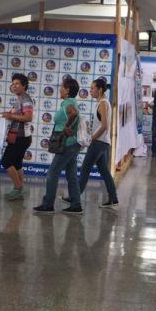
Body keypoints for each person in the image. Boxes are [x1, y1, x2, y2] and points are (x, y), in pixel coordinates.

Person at [33, 77, 83, 215]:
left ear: (67, 90)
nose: (59, 89)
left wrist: (66, 126)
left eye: (62, 87)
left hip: (66, 144)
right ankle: (76, 205)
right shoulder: (72, 101)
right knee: (71, 175)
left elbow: (74, 113)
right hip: (72, 143)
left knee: (52, 173)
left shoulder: (68, 102)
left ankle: (48, 204)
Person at [70, 78, 119, 208]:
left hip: (98, 143)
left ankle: (74, 199)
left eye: (92, 88)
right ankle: (113, 199)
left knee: (85, 170)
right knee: (105, 172)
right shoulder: (103, 103)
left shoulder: (103, 103)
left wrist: (91, 138)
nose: (90, 91)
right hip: (103, 143)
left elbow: (104, 126)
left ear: (100, 90)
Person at [0, 73, 34, 201]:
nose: (14, 86)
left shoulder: (25, 99)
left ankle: (18, 188)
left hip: (21, 138)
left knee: (6, 162)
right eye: (13, 84)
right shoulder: (19, 98)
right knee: (17, 163)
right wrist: (7, 114)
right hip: (17, 136)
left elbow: (28, 117)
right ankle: (20, 188)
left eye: (17, 84)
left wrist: (11, 116)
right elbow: (16, 115)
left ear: (24, 86)